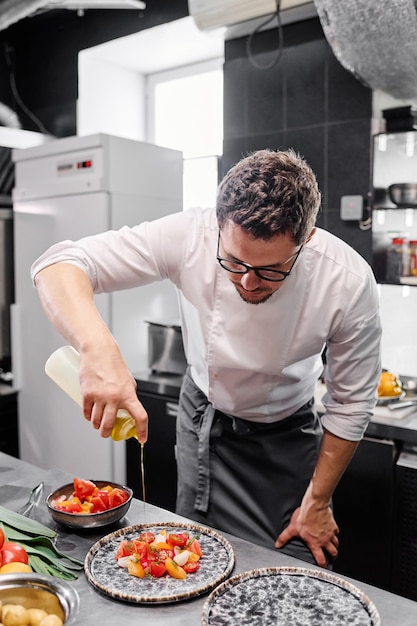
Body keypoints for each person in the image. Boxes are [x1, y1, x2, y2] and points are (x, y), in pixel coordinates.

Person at [31, 148, 381, 569]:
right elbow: (59, 263)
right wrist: (98, 349)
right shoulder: (189, 234)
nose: (248, 281)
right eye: (233, 262)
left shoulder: (348, 281)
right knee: (192, 560)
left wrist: (319, 501)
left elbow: (350, 405)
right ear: (217, 224)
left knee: (286, 568)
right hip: (203, 422)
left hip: (287, 436)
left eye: (270, 270)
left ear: (306, 239)